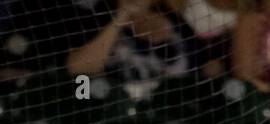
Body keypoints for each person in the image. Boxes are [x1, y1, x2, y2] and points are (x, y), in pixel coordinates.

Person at [65, 0, 201, 81]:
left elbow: (204, 69)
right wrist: (121, 17)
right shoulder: (98, 17)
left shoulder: (175, 21)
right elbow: (78, 68)